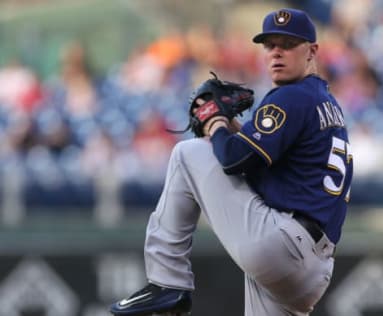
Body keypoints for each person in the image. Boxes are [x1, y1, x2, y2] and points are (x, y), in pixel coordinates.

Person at [110, 8, 353, 316]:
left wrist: (214, 122)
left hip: (283, 246)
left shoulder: (291, 97)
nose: (276, 52)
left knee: (189, 154)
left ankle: (166, 281)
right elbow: (258, 159)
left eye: (288, 44)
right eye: (269, 45)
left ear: (312, 51)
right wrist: (228, 125)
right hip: (313, 269)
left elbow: (235, 159)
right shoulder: (325, 102)